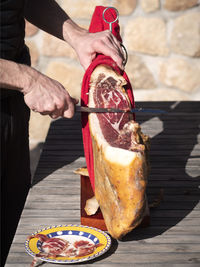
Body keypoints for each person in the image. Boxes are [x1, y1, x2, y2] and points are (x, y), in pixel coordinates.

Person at [0, 0, 124, 265]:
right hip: (15, 85)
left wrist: (76, 35)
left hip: (10, 107)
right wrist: (28, 80)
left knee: (12, 232)